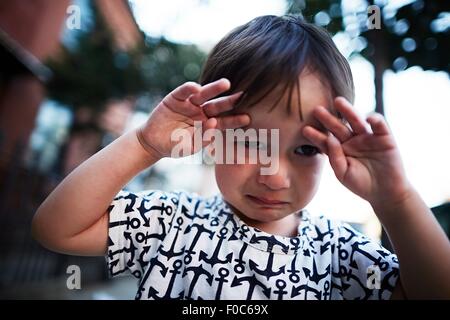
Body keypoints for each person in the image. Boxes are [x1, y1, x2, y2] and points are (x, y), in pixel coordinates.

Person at [32, 14, 450, 300]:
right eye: (251, 143)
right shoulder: (173, 225)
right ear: (211, 137)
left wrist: (396, 202)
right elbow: (56, 228)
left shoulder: (340, 253)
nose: (274, 176)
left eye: (305, 149)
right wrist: (144, 145)